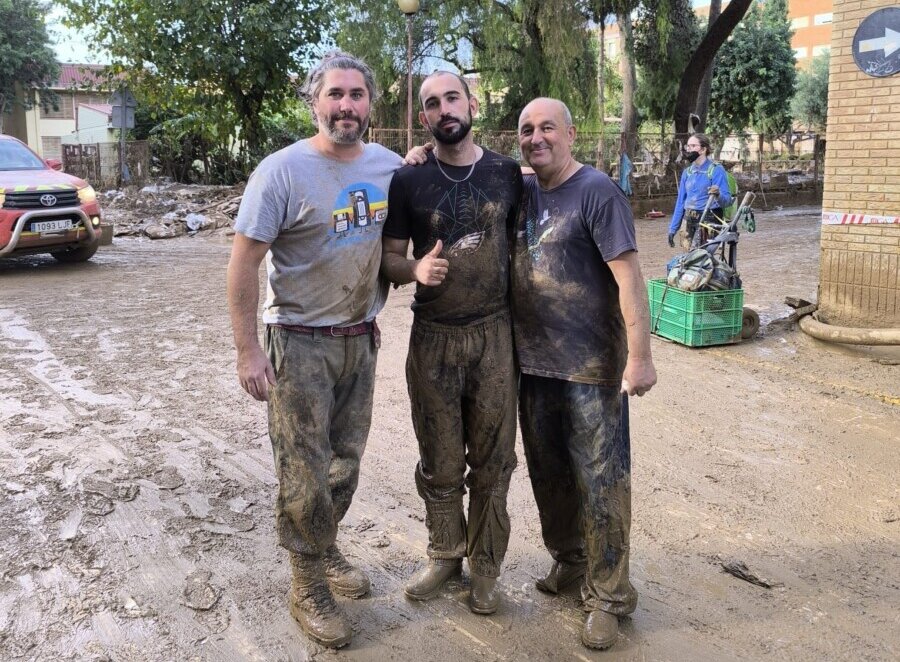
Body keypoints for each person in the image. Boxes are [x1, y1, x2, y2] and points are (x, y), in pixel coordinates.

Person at [226, 51, 404, 649]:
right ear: (314, 103)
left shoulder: (389, 167)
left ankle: (324, 550)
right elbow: (243, 263)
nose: (346, 105)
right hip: (298, 342)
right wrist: (248, 350)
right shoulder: (281, 172)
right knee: (303, 470)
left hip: (360, 337)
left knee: (344, 462)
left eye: (357, 94)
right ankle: (306, 584)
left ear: (370, 104)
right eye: (335, 94)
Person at [512, 98, 657, 650]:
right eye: (527, 129)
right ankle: (571, 562)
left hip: (591, 368)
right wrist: (420, 154)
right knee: (548, 475)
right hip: (534, 366)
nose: (537, 137)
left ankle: (610, 596)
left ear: (570, 134)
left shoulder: (597, 192)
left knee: (601, 482)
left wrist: (639, 357)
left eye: (547, 127)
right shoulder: (523, 189)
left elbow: (629, 278)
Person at [380, 71, 523, 615]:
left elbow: (525, 248)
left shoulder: (507, 173)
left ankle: (485, 567)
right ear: (424, 118)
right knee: (438, 460)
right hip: (433, 339)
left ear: (472, 104)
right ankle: (445, 554)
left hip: (494, 336)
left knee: (494, 461)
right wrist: (415, 268)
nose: (445, 109)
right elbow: (389, 258)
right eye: (433, 103)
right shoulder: (408, 180)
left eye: (452, 98)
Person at [667, 133, 733, 248]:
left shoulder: (716, 170)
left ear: (703, 149)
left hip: (709, 219)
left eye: (693, 146)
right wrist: (673, 228)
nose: (689, 149)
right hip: (688, 219)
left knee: (703, 255)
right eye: (688, 146)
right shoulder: (687, 172)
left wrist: (718, 194)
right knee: (689, 256)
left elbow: (727, 201)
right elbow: (681, 202)